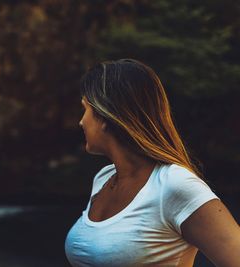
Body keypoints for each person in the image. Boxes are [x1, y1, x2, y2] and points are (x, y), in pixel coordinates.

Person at [64, 59, 240, 266]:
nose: (81, 121)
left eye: (85, 109)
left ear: (105, 116)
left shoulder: (173, 184)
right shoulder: (103, 179)